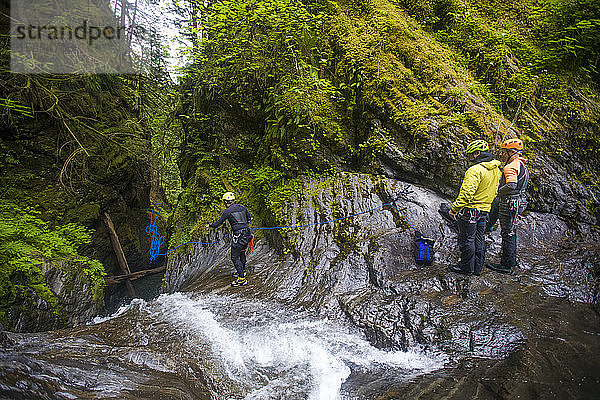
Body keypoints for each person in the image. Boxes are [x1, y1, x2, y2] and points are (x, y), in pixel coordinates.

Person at [448, 140, 502, 276]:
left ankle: (466, 267)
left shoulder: (475, 170)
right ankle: (477, 267)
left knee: (467, 239)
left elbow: (466, 194)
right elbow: (495, 191)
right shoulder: (496, 170)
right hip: (485, 210)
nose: (469, 158)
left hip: (471, 210)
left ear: (477, 153)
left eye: (470, 155)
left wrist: (454, 209)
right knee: (479, 238)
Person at [486, 138, 529, 274]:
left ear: (512, 152)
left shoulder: (510, 167)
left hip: (509, 202)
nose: (502, 155)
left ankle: (506, 265)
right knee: (511, 231)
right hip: (518, 200)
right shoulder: (521, 164)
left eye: (504, 152)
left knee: (507, 233)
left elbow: (511, 185)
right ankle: (511, 261)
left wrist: (498, 191)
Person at [206, 192, 253, 286]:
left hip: (239, 236)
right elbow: (250, 218)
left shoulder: (227, 211)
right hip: (247, 234)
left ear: (226, 202)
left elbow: (218, 223)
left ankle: (242, 279)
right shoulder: (242, 207)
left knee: (234, 257)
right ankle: (242, 271)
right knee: (242, 252)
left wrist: (209, 225)